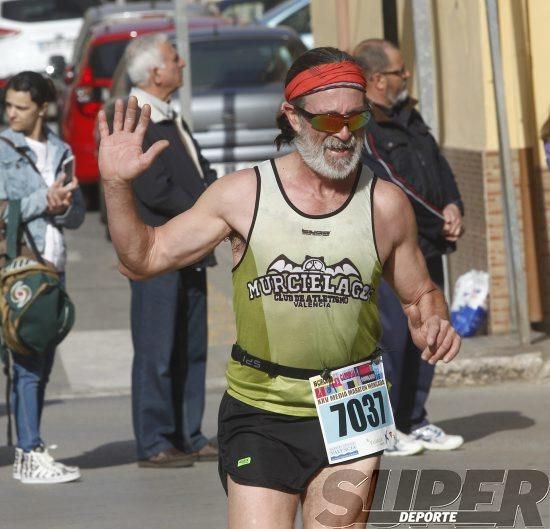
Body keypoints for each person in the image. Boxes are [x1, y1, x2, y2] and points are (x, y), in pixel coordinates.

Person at [98, 47, 460, 528]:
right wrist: (116, 186)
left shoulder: (385, 204)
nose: (345, 134)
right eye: (329, 121)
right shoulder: (242, 194)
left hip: (352, 403)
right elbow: (142, 258)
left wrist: (433, 322)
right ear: (291, 116)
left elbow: (420, 295)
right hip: (261, 409)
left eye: (357, 119)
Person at [354, 39, 465, 456]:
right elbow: (392, 185)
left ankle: (415, 418)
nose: (406, 77)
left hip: (428, 245)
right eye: (400, 71)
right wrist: (440, 218)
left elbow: (439, 166)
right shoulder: (366, 125)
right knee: (395, 337)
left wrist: (454, 205)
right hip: (392, 252)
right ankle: (386, 426)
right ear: (378, 78)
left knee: (433, 329)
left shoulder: (409, 116)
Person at [119, 34, 218, 468]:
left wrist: (218, 199)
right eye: (175, 59)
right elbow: (154, 189)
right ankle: (155, 441)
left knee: (191, 348)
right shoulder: (134, 118)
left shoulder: (168, 116)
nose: (182, 64)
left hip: (190, 248)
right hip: (156, 251)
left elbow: (197, 172)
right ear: (155, 73)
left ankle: (188, 433)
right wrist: (208, 208)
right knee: (157, 351)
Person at [0, 71, 85, 483]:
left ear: (42, 108)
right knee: (27, 364)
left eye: (20, 106)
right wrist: (43, 199)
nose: (11, 113)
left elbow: (77, 214)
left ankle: (29, 449)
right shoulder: (2, 150)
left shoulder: (61, 149)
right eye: (9, 105)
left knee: (41, 362)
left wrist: (64, 204)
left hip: (53, 267)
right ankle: (29, 453)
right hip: (19, 270)